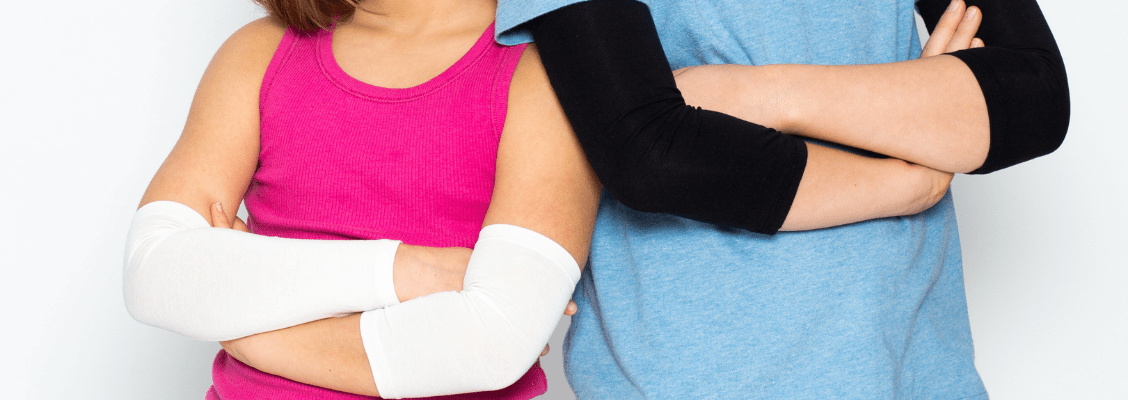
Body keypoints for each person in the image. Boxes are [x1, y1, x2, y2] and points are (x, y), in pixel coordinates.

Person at [123, 0, 979, 399]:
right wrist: (416, 272)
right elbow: (155, 277)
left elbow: (489, 342)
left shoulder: (543, 68)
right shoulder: (260, 54)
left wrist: (239, 315)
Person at [493, 0, 1067, 398]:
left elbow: (1037, 99)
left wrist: (761, 93)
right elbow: (650, 154)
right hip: (695, 381)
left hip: (917, 374)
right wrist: (910, 166)